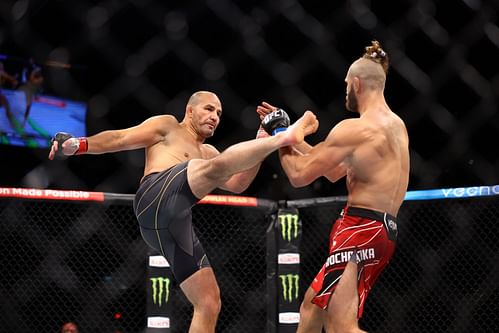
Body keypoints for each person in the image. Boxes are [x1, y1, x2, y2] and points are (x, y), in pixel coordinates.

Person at [48, 91, 319, 333]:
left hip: (170, 226)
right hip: (155, 195)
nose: (215, 117)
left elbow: (238, 184)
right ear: (190, 111)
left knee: (209, 301)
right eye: (209, 109)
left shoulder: (209, 152)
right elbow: (120, 137)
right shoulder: (167, 126)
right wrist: (78, 145)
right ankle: (284, 137)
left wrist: (259, 141)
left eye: (219, 114)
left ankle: (274, 139)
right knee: (205, 167)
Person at [257, 40, 410, 332]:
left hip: (360, 229)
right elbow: (334, 171)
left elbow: (299, 174)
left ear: (356, 83)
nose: (345, 92)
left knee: (342, 325)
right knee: (312, 307)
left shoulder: (354, 129)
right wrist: (293, 135)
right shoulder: (395, 126)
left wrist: (281, 134)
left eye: (346, 86)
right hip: (379, 228)